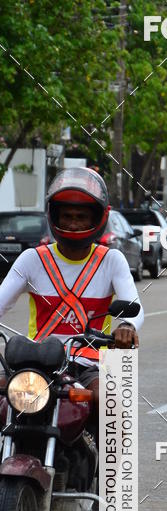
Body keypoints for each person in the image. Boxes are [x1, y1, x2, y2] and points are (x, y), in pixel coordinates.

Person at [0, 167, 143, 434]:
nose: (73, 223)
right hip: (37, 363)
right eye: (66, 216)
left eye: (81, 216)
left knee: (111, 404)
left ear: (98, 218)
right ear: (54, 216)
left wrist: (127, 327)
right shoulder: (34, 259)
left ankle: (114, 475)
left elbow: (134, 305)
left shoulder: (111, 260)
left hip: (89, 364)